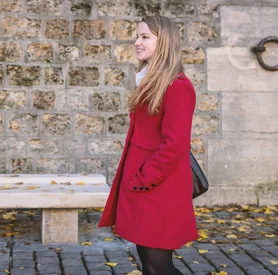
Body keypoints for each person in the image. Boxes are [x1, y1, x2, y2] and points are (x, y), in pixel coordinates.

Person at [98, 16, 198, 275]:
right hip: (143, 184)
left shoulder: (178, 87)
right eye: (136, 36)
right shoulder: (149, 80)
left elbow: (175, 145)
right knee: (148, 262)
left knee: (158, 266)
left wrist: (144, 178)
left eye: (144, 37)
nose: (136, 42)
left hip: (159, 186)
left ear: (163, 41)